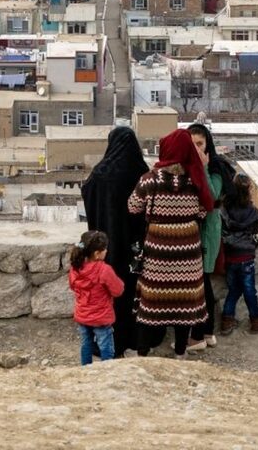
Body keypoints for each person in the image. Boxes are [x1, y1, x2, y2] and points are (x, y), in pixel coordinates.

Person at [127, 128, 215, 357]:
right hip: (188, 250)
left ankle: (142, 353)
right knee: (184, 305)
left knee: (151, 302)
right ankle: (180, 352)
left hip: (158, 249)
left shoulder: (150, 180)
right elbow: (204, 210)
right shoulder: (195, 179)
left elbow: (133, 206)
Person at [81, 126, 150, 355]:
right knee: (133, 293)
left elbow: (87, 193)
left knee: (108, 293)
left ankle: (109, 343)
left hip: (107, 247)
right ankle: (137, 339)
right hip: (134, 248)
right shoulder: (141, 172)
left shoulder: (101, 173)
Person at [186, 122, 237, 349]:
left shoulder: (216, 166)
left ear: (208, 145)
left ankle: (201, 333)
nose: (196, 149)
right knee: (200, 281)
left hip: (208, 229)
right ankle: (206, 332)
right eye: (192, 145)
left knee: (202, 281)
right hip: (194, 229)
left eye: (200, 144)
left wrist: (204, 167)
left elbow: (213, 195)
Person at [216, 174, 258, 335]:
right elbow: (255, 230)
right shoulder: (253, 212)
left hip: (230, 255)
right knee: (249, 290)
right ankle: (256, 319)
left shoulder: (224, 210)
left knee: (234, 289)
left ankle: (227, 320)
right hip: (246, 256)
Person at [67, 229, 125, 364]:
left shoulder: (75, 268)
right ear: (97, 254)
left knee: (86, 344)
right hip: (101, 319)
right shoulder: (104, 270)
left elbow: (72, 286)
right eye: (104, 249)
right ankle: (106, 370)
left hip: (82, 316)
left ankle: (86, 369)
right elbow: (118, 291)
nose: (106, 251)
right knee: (106, 347)